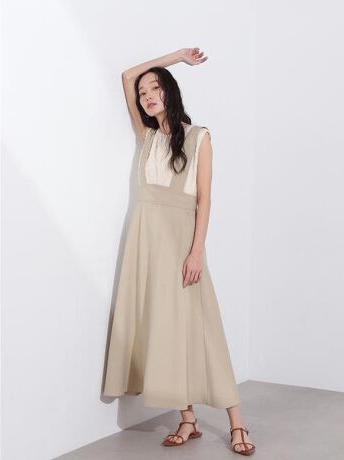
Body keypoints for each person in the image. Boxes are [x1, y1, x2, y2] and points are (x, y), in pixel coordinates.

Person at [102, 47, 255, 456]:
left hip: (182, 240)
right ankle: (188, 419)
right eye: (143, 93)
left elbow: (205, 198)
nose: (146, 96)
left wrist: (197, 251)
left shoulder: (199, 136)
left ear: (169, 91)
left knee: (202, 326)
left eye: (155, 88)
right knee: (163, 326)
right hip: (145, 240)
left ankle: (237, 423)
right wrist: (172, 57)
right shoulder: (148, 136)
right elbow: (126, 76)